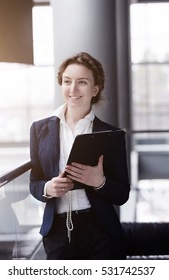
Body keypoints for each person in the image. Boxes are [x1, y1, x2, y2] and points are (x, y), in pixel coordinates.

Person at [29, 52, 130, 260]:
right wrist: (48, 188)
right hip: (57, 231)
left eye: (82, 82)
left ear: (95, 89)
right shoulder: (40, 130)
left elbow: (122, 194)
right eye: (67, 81)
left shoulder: (111, 135)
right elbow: (34, 183)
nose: (73, 89)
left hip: (100, 231)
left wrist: (99, 182)